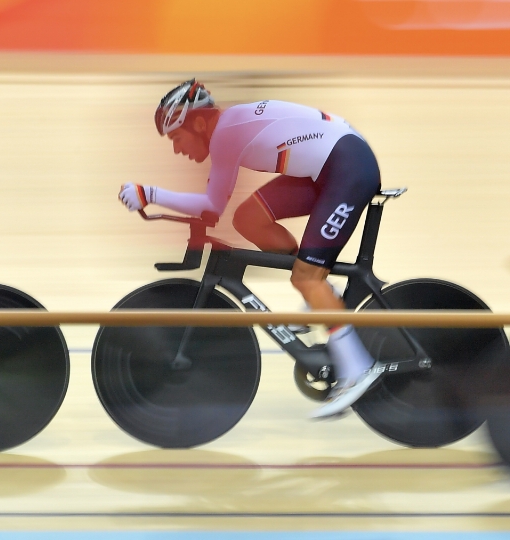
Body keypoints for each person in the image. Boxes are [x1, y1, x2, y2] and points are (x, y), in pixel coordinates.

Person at [118, 79, 381, 419]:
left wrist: (149, 194)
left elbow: (211, 207)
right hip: (329, 165)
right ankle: (322, 295)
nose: (176, 149)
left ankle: (358, 368)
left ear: (199, 123)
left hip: (347, 169)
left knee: (306, 278)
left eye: (176, 137)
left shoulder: (226, 133)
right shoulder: (228, 127)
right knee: (249, 219)